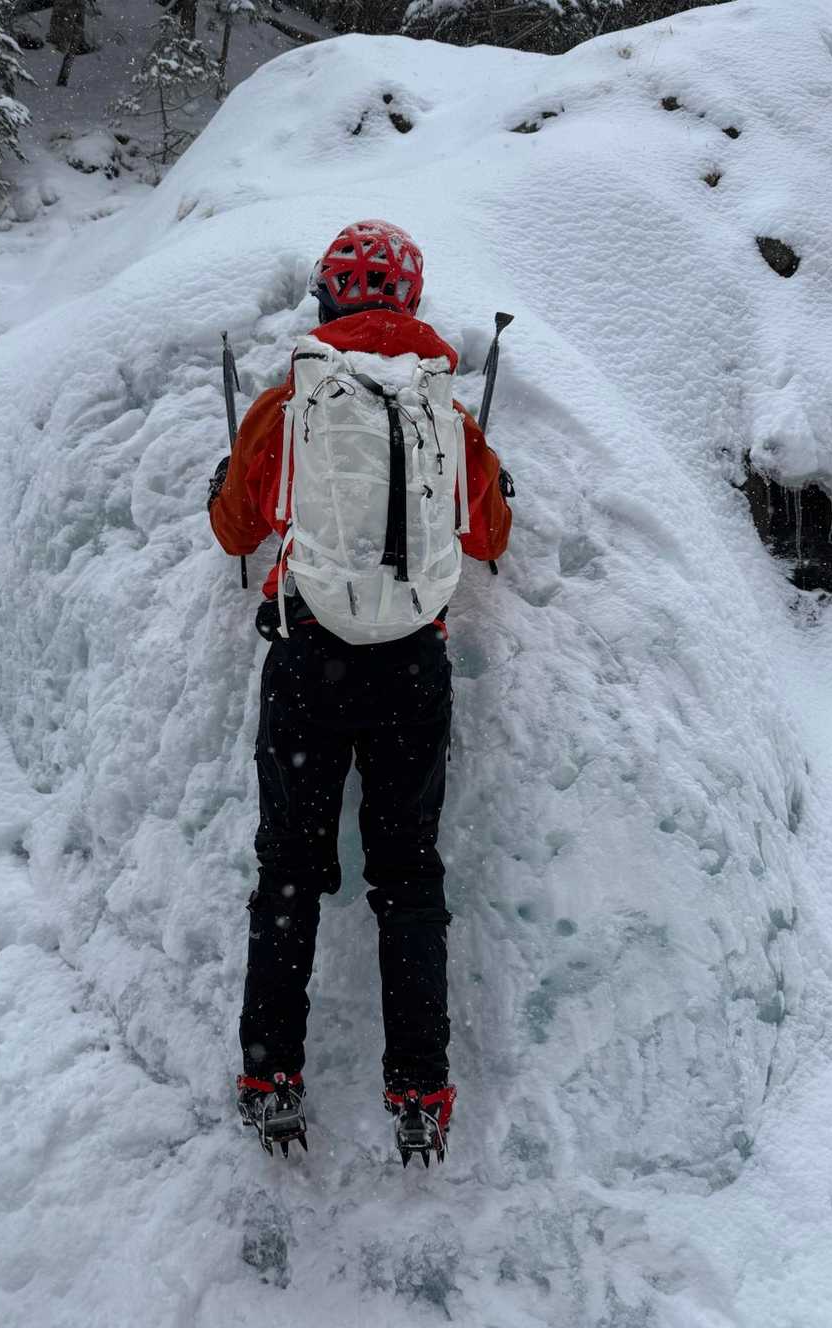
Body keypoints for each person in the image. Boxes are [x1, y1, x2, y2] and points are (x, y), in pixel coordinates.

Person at [208, 219, 511, 1164]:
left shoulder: (293, 400)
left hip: (309, 659)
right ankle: (420, 1087)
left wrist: (228, 481)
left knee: (289, 871)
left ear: (327, 298)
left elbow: (236, 528)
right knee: (408, 874)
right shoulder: (442, 408)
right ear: (413, 302)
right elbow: (489, 537)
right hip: (412, 665)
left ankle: (271, 1078)